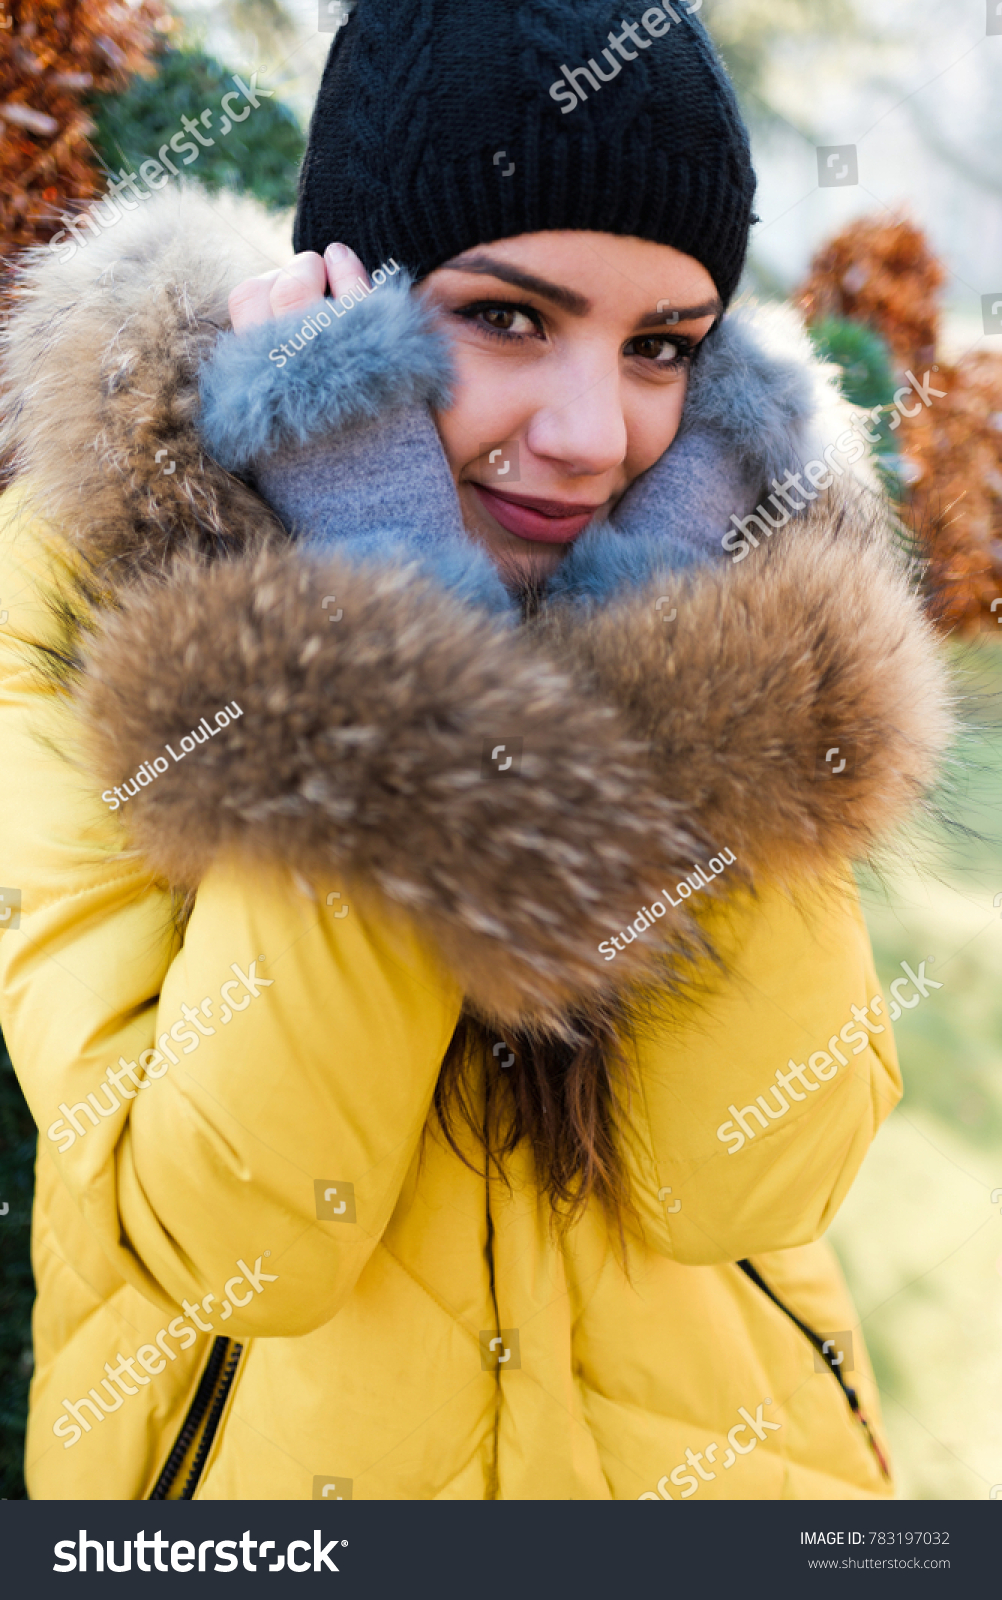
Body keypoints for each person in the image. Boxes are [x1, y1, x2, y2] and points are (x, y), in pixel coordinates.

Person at [0, 0, 950, 1501]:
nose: (590, 434)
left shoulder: (720, 563)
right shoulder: (95, 576)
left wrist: (702, 662)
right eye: (507, 316)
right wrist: (371, 617)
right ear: (340, 303)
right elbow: (235, 1243)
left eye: (659, 348)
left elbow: (744, 1178)